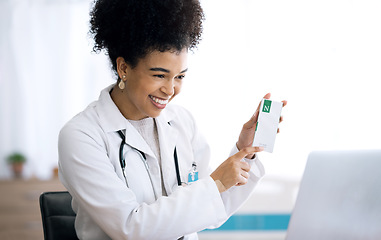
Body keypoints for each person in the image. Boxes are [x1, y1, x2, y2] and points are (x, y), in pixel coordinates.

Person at [58, 0, 286, 239]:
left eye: (179, 77)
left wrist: (244, 152)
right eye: (159, 75)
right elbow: (130, 228)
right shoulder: (81, 135)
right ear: (124, 68)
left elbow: (213, 209)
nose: (170, 89)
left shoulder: (181, 122)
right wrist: (215, 181)